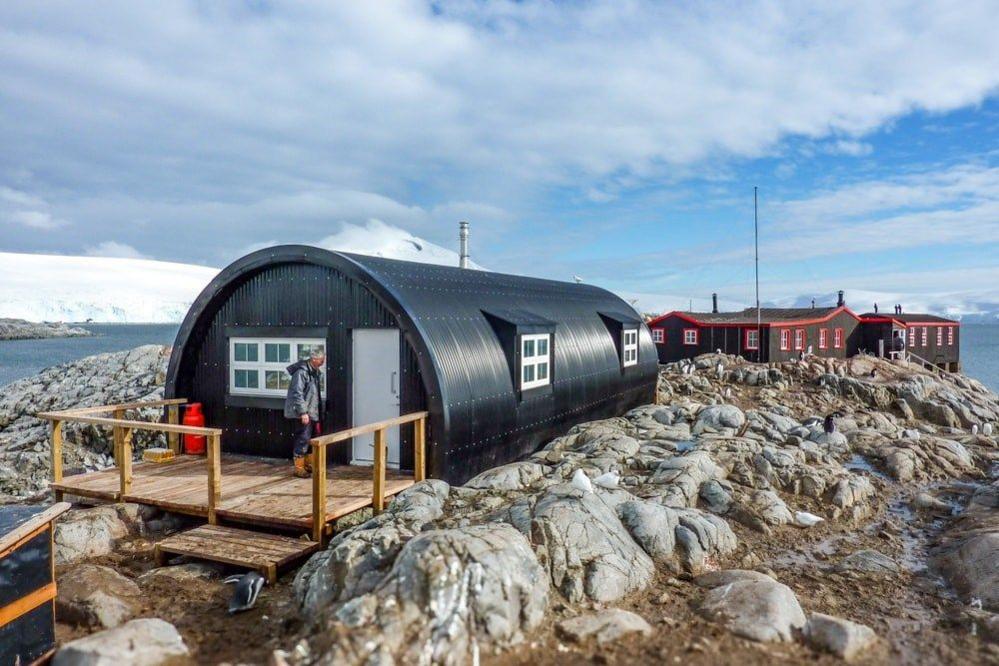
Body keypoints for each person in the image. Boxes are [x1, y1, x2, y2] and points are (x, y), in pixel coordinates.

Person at [284, 348, 325, 478]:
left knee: (311, 438)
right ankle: (299, 467)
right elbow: (297, 393)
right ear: (314, 359)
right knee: (302, 439)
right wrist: (303, 412)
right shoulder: (301, 372)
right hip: (304, 413)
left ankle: (308, 464)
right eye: (321, 359)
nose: (323, 361)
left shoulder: (315, 372)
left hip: (313, 412)